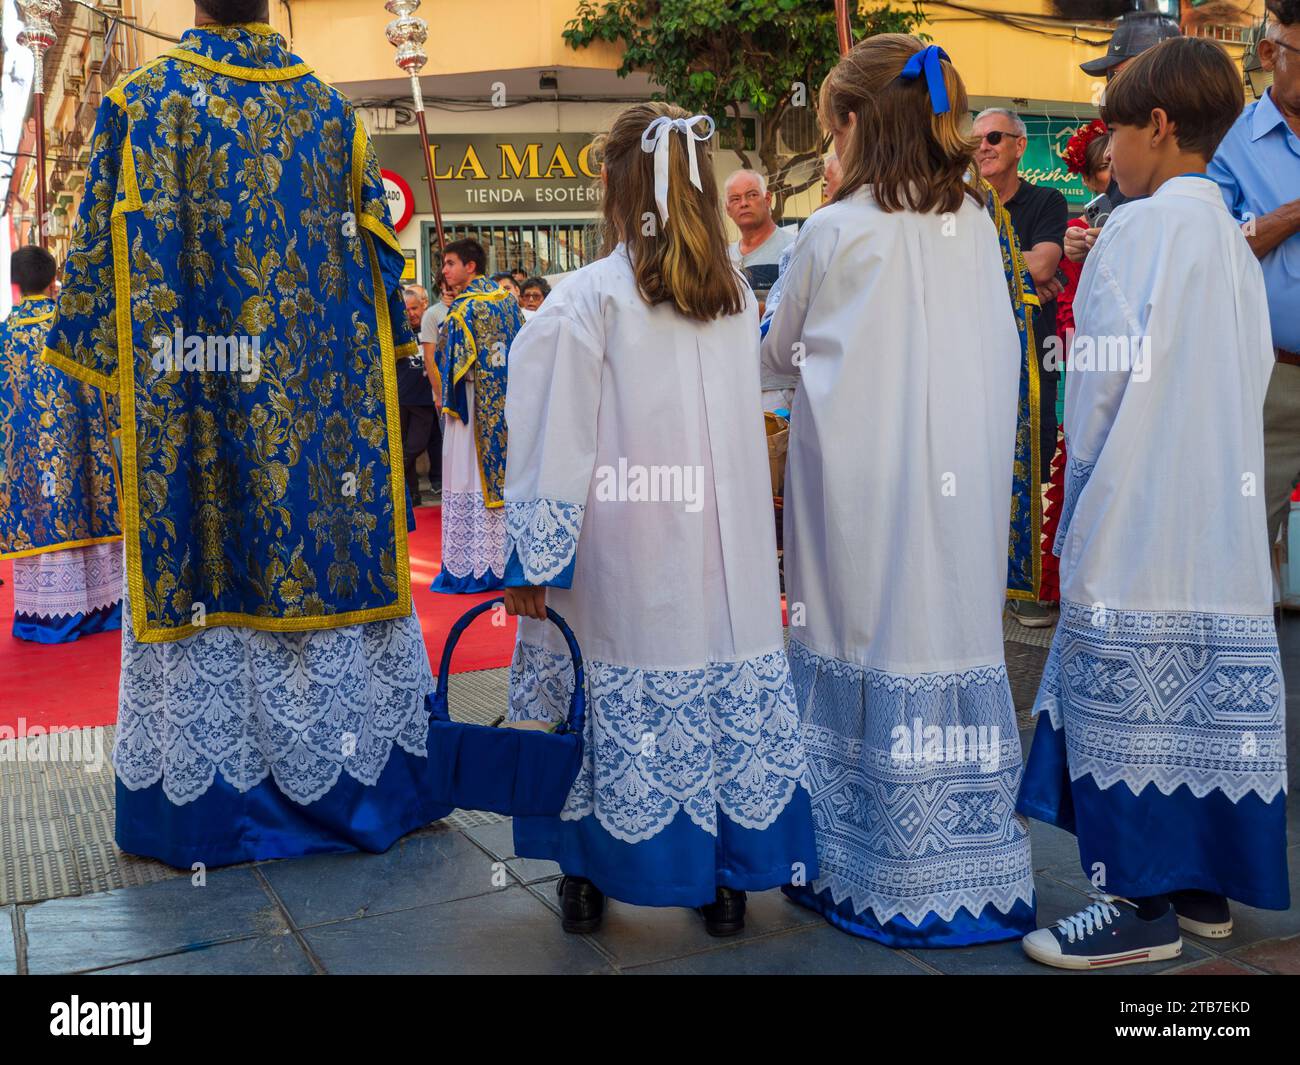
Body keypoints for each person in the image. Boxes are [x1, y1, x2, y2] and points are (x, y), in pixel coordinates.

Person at [41, 1, 451, 866]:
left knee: (207, 562)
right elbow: (385, 275)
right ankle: (358, 788)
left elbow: (87, 304)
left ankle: (208, 815)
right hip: (322, 430)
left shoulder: (140, 104)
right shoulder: (334, 115)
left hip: (197, 424)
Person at [501, 101, 817, 936]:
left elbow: (552, 440)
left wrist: (534, 558)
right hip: (726, 553)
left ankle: (588, 871)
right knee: (717, 687)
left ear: (613, 184)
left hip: (625, 554)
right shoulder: (733, 296)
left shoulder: (586, 299)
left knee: (603, 705)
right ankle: (726, 878)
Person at [1017, 37, 1288, 970]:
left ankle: (1137, 902)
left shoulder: (1135, 231)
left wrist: (1077, 489)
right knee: (1204, 694)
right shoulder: (1229, 233)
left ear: (1160, 128)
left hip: (1139, 499)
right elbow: (1252, 367)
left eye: (1117, 131)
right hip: (1217, 506)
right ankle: (1200, 884)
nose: (1106, 153)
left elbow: (1095, 385)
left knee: (1127, 693)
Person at [762, 36, 1034, 947]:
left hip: (859, 487)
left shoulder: (834, 229)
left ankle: (864, 862)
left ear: (850, 125)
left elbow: (773, 356)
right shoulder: (979, 219)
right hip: (959, 476)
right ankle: (970, 865)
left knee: (860, 631)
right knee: (949, 628)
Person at [1207, 0, 1300, 570]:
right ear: (1270, 53)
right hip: (1271, 377)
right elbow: (1215, 247)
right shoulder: (1229, 143)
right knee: (1246, 544)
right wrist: (1292, 215)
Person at [973, 107, 1069, 627]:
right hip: (977, 358)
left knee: (1036, 452)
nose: (982, 147)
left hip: (1035, 357)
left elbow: (1046, 264)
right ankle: (983, 576)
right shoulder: (964, 208)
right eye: (975, 141)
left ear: (1017, 144)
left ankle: (1027, 584)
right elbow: (1024, 269)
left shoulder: (1046, 199)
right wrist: (1021, 272)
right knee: (978, 458)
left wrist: (1008, 271)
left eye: (992, 137)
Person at [0, 245, 122, 642]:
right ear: (54, 280)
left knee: (43, 517)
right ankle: (103, 609)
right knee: (87, 506)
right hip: (85, 449)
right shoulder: (75, 327)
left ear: (16, 285)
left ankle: (52, 615)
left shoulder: (5, 337)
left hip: (34, 461)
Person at [1039, 119, 1111, 608]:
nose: (1116, 173)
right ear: (1088, 180)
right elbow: (1069, 319)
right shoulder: (1080, 232)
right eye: (1104, 166)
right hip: (1089, 377)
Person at [429, 238, 523, 592]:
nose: (444, 271)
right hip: (505, 406)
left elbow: (448, 360)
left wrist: (447, 329)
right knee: (503, 479)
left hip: (470, 406)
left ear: (471, 266)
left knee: (467, 476)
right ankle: (503, 560)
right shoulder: (507, 302)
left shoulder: (463, 310)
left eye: (450, 263)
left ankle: (473, 564)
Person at [1065, 10, 1181, 265]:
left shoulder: (1201, 148)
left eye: (1120, 76)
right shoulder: (1129, 156)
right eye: (1110, 77)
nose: (1111, 88)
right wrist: (1089, 242)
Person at [758, 154, 842, 413]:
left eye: (827, 181)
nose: (823, 189)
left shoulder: (823, 227)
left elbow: (781, 348)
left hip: (793, 382)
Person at [724, 169, 795, 293]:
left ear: (767, 199)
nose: (744, 203)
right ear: (727, 209)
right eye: (735, 199)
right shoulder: (724, 258)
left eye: (752, 195)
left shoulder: (792, 249)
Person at [399, 286, 439, 506]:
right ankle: (411, 493)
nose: (411, 313)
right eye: (406, 309)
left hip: (425, 399)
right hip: (403, 396)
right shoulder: (398, 333)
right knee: (406, 443)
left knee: (415, 445)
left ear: (423, 306)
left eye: (415, 308)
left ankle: (395, 467)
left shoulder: (431, 328)